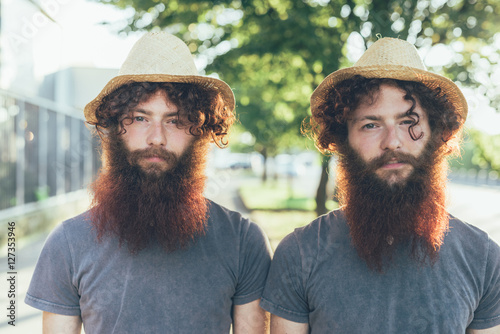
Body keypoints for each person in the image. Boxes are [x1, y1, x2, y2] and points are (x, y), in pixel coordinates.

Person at [25, 32, 272, 333]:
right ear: (116, 128)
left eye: (175, 120)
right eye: (140, 118)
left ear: (200, 131)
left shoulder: (242, 242)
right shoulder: (67, 243)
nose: (157, 137)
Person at [260, 37, 500, 333]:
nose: (392, 142)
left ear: (436, 132)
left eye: (408, 121)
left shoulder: (483, 257)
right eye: (370, 125)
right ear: (343, 138)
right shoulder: (299, 254)